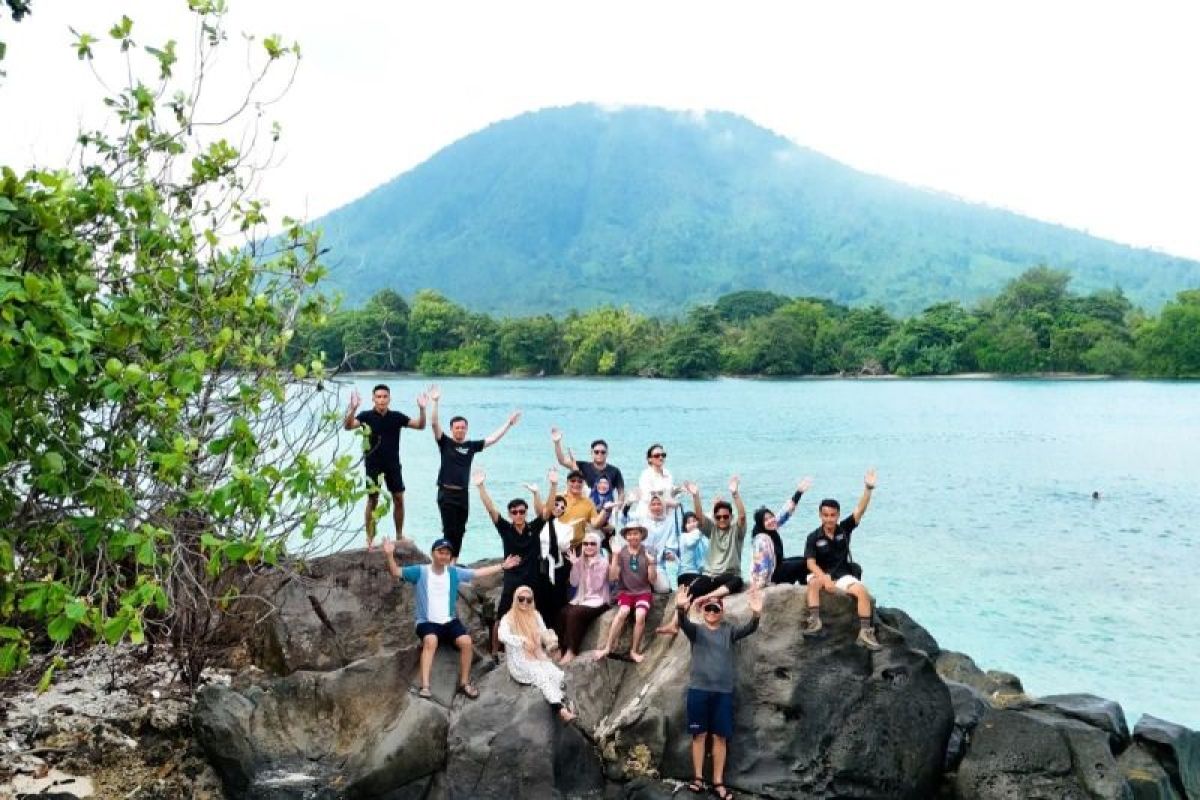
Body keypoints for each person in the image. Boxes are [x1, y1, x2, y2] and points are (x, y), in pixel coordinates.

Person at [382, 537, 520, 699]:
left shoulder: (454, 572)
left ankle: (464, 683)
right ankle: (425, 685)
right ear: (433, 553)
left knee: (466, 642)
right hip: (426, 622)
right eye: (440, 552)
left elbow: (477, 573)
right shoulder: (421, 571)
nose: (444, 556)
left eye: (447, 553)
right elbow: (396, 572)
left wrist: (502, 566)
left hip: (449, 621)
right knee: (431, 640)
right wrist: (389, 555)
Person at [675, 583, 762, 800]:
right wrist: (679, 608)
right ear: (702, 611)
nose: (712, 612)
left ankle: (718, 782)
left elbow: (750, 628)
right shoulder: (696, 631)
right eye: (708, 609)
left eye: (716, 609)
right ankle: (697, 779)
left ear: (722, 612)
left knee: (720, 737)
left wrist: (756, 613)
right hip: (698, 690)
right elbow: (683, 623)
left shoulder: (729, 631)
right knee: (699, 736)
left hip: (723, 692)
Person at [429, 384, 520, 559]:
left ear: (466, 429)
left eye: (463, 427)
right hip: (446, 493)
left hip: (463, 494)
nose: (460, 430)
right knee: (449, 530)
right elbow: (434, 424)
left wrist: (508, 424)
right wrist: (435, 401)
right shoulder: (445, 443)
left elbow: (492, 439)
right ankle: (445, 562)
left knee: (461, 530)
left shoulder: (471, 446)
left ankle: (454, 562)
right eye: (457, 427)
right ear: (452, 429)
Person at [802, 468, 882, 651]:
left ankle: (865, 632)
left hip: (843, 575)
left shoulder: (844, 529)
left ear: (838, 515)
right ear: (820, 515)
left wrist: (868, 489)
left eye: (833, 515)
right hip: (821, 575)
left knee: (863, 592)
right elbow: (810, 563)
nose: (829, 519)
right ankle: (814, 621)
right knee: (813, 585)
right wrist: (824, 578)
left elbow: (860, 511)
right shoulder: (813, 536)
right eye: (826, 515)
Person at [473, 469, 549, 660]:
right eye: (514, 512)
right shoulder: (506, 529)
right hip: (512, 578)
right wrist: (481, 487)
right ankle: (495, 651)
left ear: (526, 512)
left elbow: (546, 513)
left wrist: (540, 492)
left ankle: (533, 648)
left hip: (532, 577)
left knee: (533, 613)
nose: (518, 514)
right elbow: (491, 509)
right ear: (510, 513)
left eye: (522, 511)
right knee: (502, 614)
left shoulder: (533, 528)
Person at [343, 384, 428, 550]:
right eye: (379, 397)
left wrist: (422, 409)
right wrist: (353, 408)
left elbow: (420, 425)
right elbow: (348, 426)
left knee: (399, 499)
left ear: (389, 399)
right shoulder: (366, 416)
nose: (382, 400)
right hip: (373, 464)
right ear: (373, 399)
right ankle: (369, 538)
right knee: (372, 500)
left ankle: (399, 535)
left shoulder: (396, 417)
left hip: (393, 464)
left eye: (385, 397)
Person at [497, 585, 577, 723]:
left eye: (528, 600)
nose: (525, 603)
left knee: (556, 674)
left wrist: (550, 641)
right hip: (520, 659)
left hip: (537, 654)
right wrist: (521, 640)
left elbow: (544, 631)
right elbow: (502, 635)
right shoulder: (508, 618)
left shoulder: (535, 614)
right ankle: (561, 711)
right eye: (521, 599)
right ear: (515, 599)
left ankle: (565, 702)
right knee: (542, 677)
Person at [593, 524, 657, 663]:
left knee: (640, 615)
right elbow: (612, 577)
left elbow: (652, 580)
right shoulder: (621, 552)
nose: (633, 536)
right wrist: (615, 555)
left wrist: (651, 563)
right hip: (626, 591)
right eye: (630, 534)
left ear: (641, 535)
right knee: (623, 612)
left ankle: (634, 651)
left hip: (643, 592)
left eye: (636, 533)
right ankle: (608, 648)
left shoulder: (649, 551)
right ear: (626, 537)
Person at [684, 477, 748, 606]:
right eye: (718, 517)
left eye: (725, 516)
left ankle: (706, 597)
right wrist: (696, 496)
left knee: (737, 582)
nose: (722, 519)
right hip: (710, 575)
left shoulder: (737, 531)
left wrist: (735, 494)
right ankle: (674, 623)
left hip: (729, 575)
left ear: (731, 517)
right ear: (714, 518)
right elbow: (700, 517)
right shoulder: (712, 529)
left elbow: (742, 516)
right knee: (688, 592)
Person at [558, 530, 611, 664]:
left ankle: (572, 651)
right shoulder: (580, 561)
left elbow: (596, 586)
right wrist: (575, 565)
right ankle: (561, 649)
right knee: (563, 612)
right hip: (583, 598)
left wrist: (591, 568)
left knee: (574, 613)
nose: (588, 546)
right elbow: (574, 582)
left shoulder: (603, 563)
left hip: (599, 600)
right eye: (585, 544)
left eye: (592, 544)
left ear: (598, 546)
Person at [654, 511, 709, 636]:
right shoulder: (685, 537)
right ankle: (673, 624)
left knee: (688, 594)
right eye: (688, 522)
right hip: (686, 573)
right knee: (687, 594)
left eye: (694, 521)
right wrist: (701, 527)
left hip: (698, 574)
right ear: (684, 526)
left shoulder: (703, 539)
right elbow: (690, 543)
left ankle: (673, 624)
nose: (692, 524)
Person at [753, 476, 813, 585]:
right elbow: (761, 562)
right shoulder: (762, 539)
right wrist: (760, 583)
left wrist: (799, 492)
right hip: (771, 575)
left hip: (777, 565)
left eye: (771, 517)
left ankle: (804, 584)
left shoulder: (770, 528)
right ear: (760, 523)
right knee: (804, 563)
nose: (771, 520)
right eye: (766, 520)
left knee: (806, 559)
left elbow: (785, 512)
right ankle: (804, 585)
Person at [551, 427, 625, 493]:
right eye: (596, 452)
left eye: (603, 452)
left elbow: (621, 492)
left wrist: (618, 507)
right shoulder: (583, 466)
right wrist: (557, 443)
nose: (600, 454)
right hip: (585, 504)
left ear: (607, 453)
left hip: (605, 505)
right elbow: (562, 460)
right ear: (591, 453)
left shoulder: (615, 471)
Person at [558, 467, 609, 548]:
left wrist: (605, 510)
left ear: (583, 483)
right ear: (567, 482)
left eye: (580, 481)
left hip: (578, 545)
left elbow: (595, 524)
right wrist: (536, 494)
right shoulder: (558, 498)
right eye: (573, 481)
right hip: (557, 544)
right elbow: (543, 515)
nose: (576, 484)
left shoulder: (588, 503)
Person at [635, 443, 677, 514]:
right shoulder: (646, 475)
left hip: (666, 515)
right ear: (649, 459)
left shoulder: (668, 474)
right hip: (648, 515)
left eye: (663, 455)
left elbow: (669, 493)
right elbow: (648, 497)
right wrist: (670, 503)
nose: (661, 458)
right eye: (657, 456)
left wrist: (677, 491)